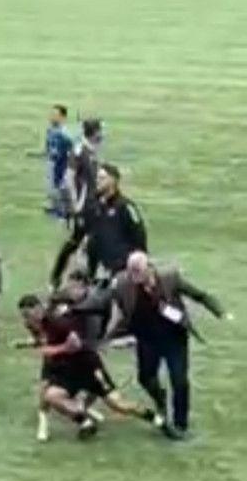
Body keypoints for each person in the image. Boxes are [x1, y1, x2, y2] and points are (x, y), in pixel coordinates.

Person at [101, 252, 229, 438]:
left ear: (148, 268)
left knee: (180, 381)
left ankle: (180, 424)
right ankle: (160, 398)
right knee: (145, 378)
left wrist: (220, 312)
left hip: (174, 339)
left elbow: (199, 296)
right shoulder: (122, 284)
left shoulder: (170, 278)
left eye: (138, 272)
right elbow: (107, 302)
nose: (135, 278)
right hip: (147, 339)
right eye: (131, 273)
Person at [16, 293, 165, 442]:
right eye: (24, 316)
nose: (27, 319)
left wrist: (53, 350)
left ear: (39, 309)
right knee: (51, 396)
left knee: (118, 404)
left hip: (88, 366)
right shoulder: (32, 325)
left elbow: (74, 345)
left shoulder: (57, 322)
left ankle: (157, 419)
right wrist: (31, 344)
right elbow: (44, 340)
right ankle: (85, 422)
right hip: (68, 370)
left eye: (29, 315)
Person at [50, 162, 146, 287]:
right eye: (97, 178)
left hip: (123, 275)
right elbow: (73, 242)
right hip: (97, 276)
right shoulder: (92, 209)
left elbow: (140, 241)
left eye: (102, 178)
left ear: (113, 180)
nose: (98, 181)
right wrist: (56, 274)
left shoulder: (125, 208)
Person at [65, 118, 103, 215]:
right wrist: (75, 202)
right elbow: (69, 177)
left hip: (93, 200)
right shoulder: (79, 151)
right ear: (95, 133)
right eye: (100, 130)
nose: (102, 134)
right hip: (82, 202)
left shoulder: (92, 149)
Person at [43, 104, 72, 218]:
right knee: (52, 187)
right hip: (52, 164)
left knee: (60, 187)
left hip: (61, 165)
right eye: (51, 114)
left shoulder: (65, 134)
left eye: (55, 115)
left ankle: (63, 212)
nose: (52, 117)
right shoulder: (50, 131)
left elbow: (71, 150)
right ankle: (54, 208)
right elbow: (48, 148)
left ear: (63, 117)